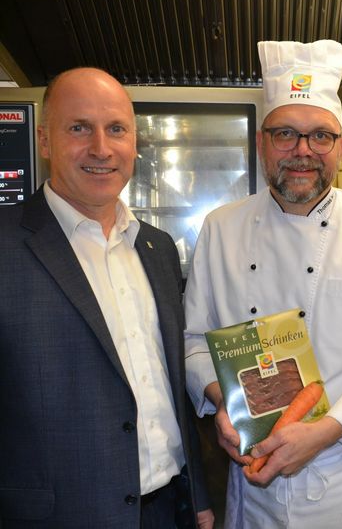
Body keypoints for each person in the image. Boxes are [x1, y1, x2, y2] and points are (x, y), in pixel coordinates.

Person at [183, 40, 342, 528]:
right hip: (251, 488)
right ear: (261, 141)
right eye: (286, 134)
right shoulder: (221, 228)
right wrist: (222, 407)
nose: (303, 152)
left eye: (320, 137)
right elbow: (193, 342)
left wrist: (320, 434)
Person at [0, 68, 213, 528]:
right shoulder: (6, 246)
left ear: (135, 143)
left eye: (116, 129)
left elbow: (168, 382)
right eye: (79, 128)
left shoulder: (157, 248)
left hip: (169, 510)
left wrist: (198, 495)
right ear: (44, 141)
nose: (101, 148)